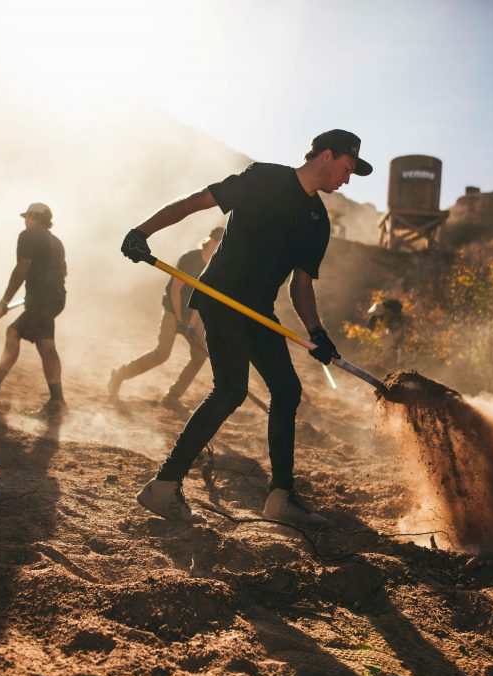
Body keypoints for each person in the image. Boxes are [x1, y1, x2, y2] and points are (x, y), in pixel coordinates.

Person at [120, 129, 372, 530]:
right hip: (221, 297)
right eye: (347, 168)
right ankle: (164, 486)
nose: (347, 179)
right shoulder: (263, 178)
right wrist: (142, 232)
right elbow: (196, 202)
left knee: (287, 390)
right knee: (231, 390)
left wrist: (318, 334)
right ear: (326, 156)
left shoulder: (317, 221)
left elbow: (301, 286)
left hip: (258, 311)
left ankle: (280, 497)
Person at [108, 227, 224, 410]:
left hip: (192, 313)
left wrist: (191, 324)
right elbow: (175, 289)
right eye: (217, 243)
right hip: (173, 309)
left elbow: (203, 299)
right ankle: (119, 375)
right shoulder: (189, 259)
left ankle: (172, 397)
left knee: (199, 355)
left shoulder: (216, 267)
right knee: (162, 354)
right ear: (210, 241)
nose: (218, 248)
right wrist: (179, 319)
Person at [0, 202, 67, 413]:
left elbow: (22, 267)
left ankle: (56, 402)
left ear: (33, 216)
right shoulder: (57, 242)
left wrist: (5, 301)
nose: (25, 221)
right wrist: (39, 293)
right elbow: (63, 273)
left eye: (26, 217)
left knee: (41, 344)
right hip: (56, 298)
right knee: (23, 336)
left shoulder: (29, 235)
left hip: (41, 299)